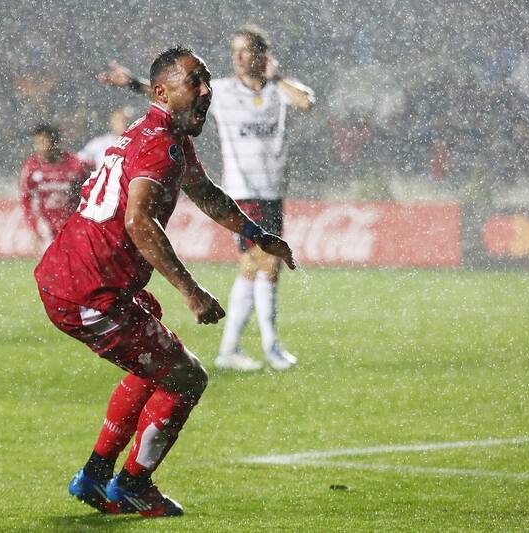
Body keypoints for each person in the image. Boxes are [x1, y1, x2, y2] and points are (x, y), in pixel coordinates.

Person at [35, 46, 295, 517]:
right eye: (194, 82)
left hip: (80, 280)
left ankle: (95, 476)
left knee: (155, 362)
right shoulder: (159, 144)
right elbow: (138, 222)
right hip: (90, 293)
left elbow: (207, 195)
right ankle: (133, 484)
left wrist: (257, 234)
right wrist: (192, 292)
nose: (206, 91)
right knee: (186, 376)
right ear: (162, 91)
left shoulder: (160, 135)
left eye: (207, 81)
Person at [98, 25, 314, 371]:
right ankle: (270, 346)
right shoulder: (224, 92)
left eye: (246, 50)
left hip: (272, 191)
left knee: (254, 269)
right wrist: (130, 82)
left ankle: (231, 347)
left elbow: (306, 100)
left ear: (261, 54)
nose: (238, 58)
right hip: (242, 191)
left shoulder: (276, 92)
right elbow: (170, 93)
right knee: (266, 264)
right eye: (235, 51)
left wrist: (277, 77)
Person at [19, 123, 92, 251]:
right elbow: (26, 199)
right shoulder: (31, 167)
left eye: (44, 141)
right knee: (52, 264)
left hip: (73, 223)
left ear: (55, 141)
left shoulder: (75, 164)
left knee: (74, 264)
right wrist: (33, 227)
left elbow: (90, 192)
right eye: (38, 142)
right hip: (46, 225)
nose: (41, 147)